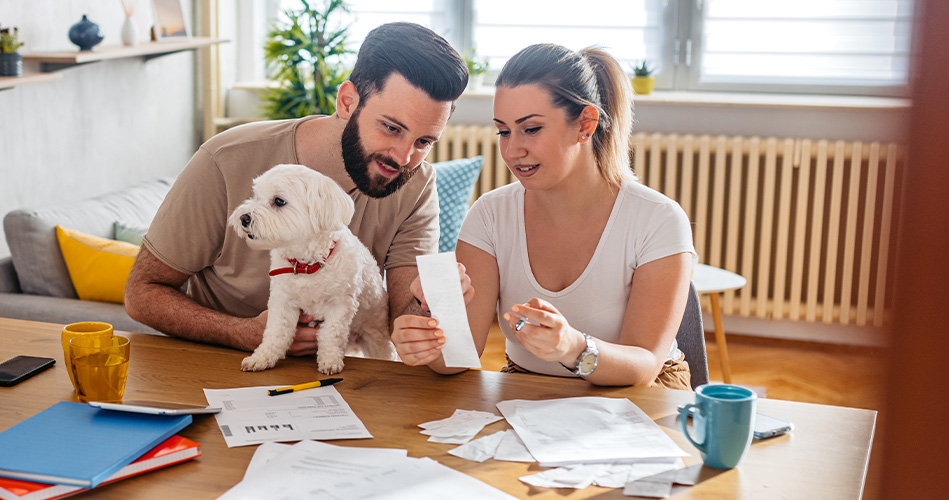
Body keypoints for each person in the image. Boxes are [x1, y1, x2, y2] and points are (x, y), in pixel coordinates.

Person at [125, 22, 472, 355]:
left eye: (424, 141)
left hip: (342, 376)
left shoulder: (417, 185)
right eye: (391, 128)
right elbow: (142, 293)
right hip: (223, 369)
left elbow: (404, 315)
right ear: (348, 102)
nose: (404, 156)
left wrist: (433, 307)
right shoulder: (225, 160)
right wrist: (241, 333)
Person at [391, 44, 695, 390]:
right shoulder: (490, 216)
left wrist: (573, 347)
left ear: (585, 124)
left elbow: (642, 367)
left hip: (643, 393)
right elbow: (458, 358)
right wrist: (424, 338)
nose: (512, 150)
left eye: (531, 129)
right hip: (528, 388)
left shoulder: (658, 219)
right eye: (503, 131)